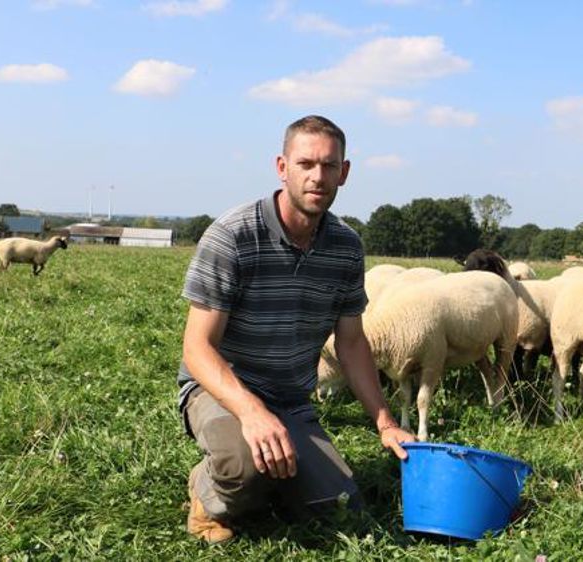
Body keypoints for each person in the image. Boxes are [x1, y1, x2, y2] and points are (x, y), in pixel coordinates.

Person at [177, 115, 417, 543]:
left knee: (340, 509)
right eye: (305, 163)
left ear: (344, 173)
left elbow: (351, 342)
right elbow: (197, 348)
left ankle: (273, 469)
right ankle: (208, 490)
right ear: (282, 167)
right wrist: (251, 413)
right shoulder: (232, 236)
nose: (317, 177)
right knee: (243, 467)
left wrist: (384, 421)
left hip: (290, 398)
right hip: (222, 389)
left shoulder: (346, 247)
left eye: (329, 166)